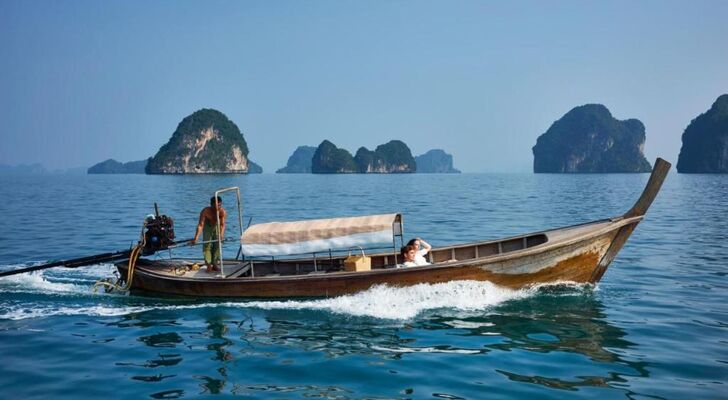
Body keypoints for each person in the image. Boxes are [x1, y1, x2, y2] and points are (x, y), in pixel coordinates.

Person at [191, 196, 227, 273]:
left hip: (217, 226)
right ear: (211, 205)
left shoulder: (222, 212)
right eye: (216, 205)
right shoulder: (205, 211)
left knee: (218, 244)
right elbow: (200, 225)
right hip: (208, 227)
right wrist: (196, 238)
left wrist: (221, 234)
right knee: (207, 245)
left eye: (220, 205)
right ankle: (208, 265)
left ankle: (215, 264)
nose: (218, 207)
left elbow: (222, 225)